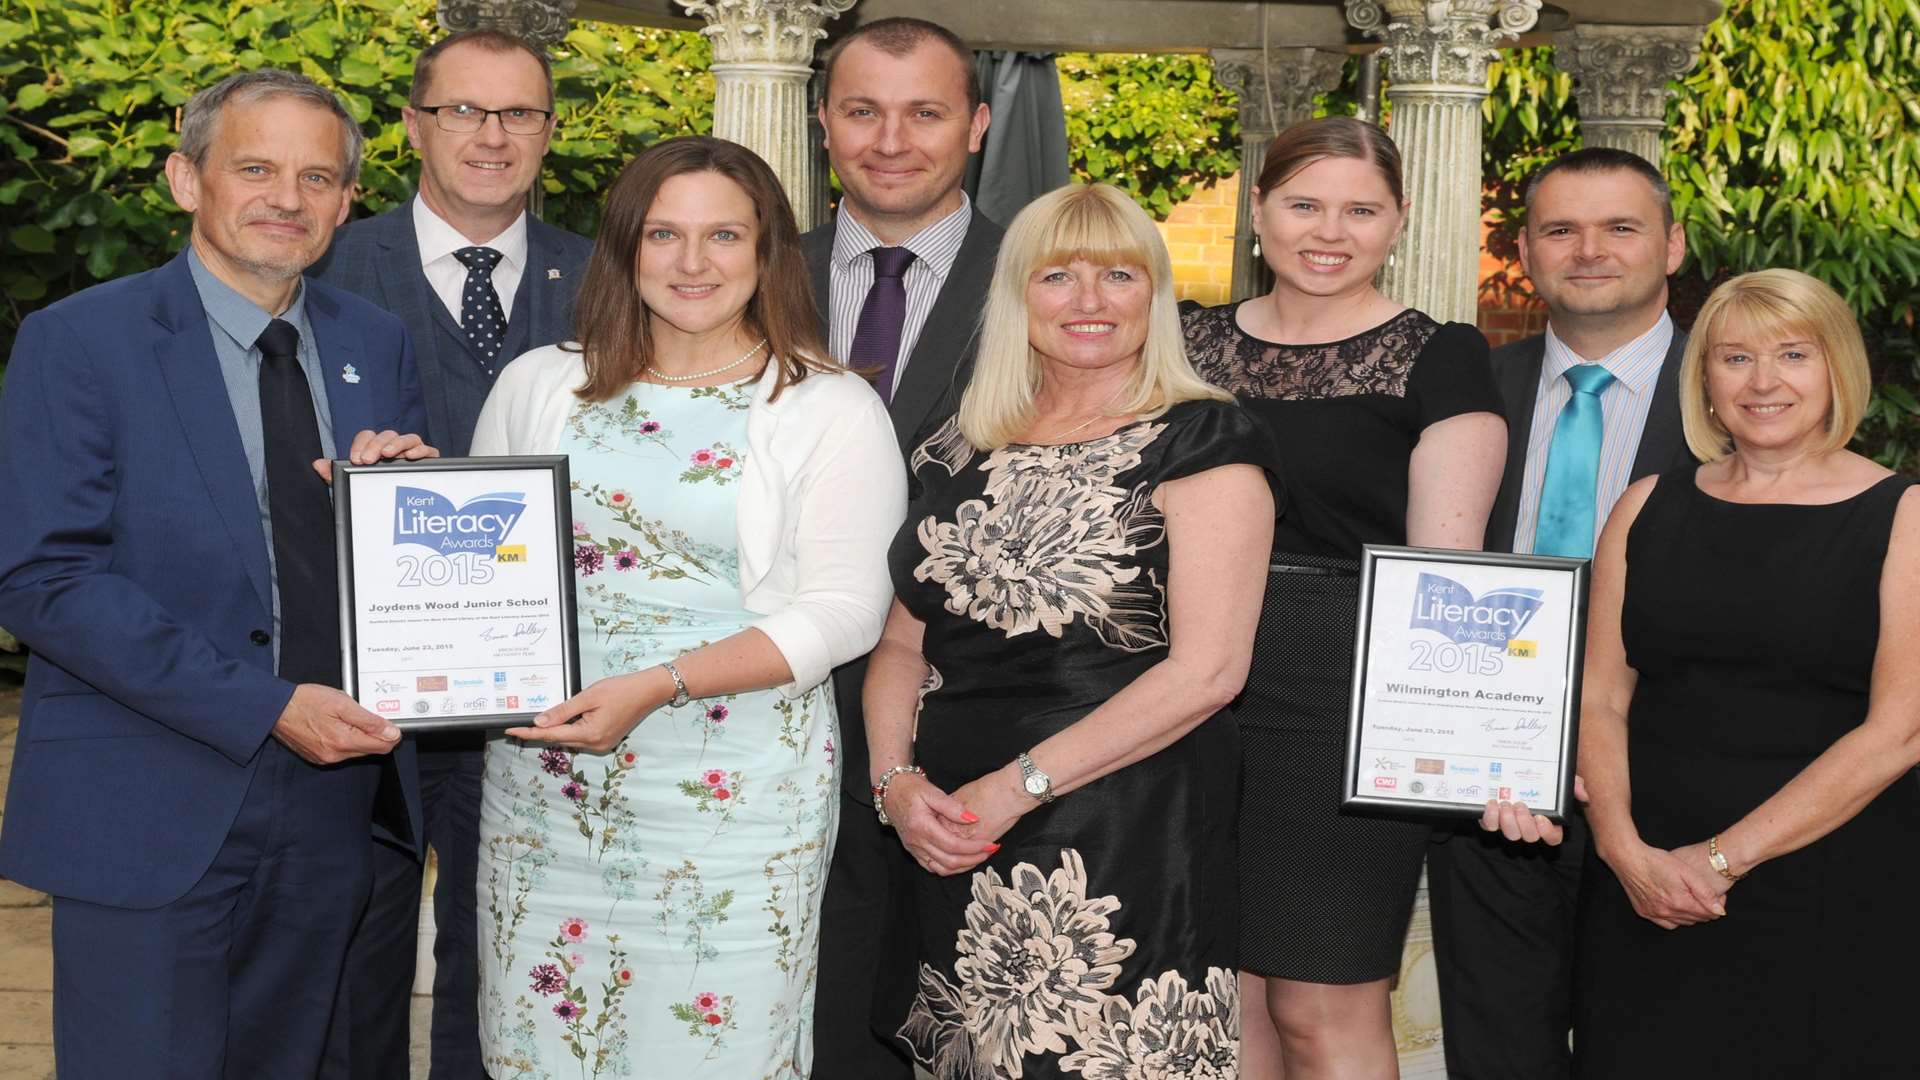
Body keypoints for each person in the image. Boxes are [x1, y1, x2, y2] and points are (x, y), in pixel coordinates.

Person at [0, 70, 435, 1079]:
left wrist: (412, 507)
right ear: (184, 180)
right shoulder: (81, 342)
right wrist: (266, 703)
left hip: (334, 802)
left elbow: (402, 571)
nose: (288, 198)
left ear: (343, 201)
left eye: (318, 176)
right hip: (147, 799)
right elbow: (42, 578)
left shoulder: (375, 343)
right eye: (255, 167)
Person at [467, 136, 904, 1078]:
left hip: (735, 794)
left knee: (717, 1050)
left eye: (723, 236)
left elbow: (846, 612)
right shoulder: (539, 384)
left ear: (767, 253)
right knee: (544, 1048)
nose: (692, 262)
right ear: (624, 248)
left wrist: (658, 684)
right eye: (663, 234)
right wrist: (403, 495)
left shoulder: (828, 406)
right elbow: (485, 572)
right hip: (550, 788)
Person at [876, 182, 1280, 1078]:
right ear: (1017, 295)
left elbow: (1210, 671)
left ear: (1156, 294)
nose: (1089, 300)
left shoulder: (1204, 440)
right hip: (950, 831)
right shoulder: (959, 444)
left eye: (1119, 274)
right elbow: (903, 644)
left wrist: (1016, 788)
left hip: (1127, 833)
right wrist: (897, 788)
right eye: (1057, 275)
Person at [1178, 116, 1506, 1079]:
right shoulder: (1185, 344)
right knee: (1219, 997)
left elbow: (1447, 576)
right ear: (1259, 211)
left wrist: (1478, 741)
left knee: (1323, 1000)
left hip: (1345, 690)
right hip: (1182, 686)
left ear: (1398, 222)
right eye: (1305, 204)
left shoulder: (1440, 355)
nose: (1331, 231)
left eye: (1361, 210)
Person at [311, 28, 593, 1079]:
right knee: (354, 960)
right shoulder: (325, 264)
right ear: (413, 125)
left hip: (536, 707)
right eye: (465, 110)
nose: (491, 135)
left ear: (549, 132)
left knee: (508, 964)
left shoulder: (611, 280)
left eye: (518, 113)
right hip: (359, 701)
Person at [1570, 268, 1920, 1075]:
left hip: (1833, 887)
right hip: (1644, 893)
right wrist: (1625, 850)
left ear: (1836, 369)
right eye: (1734, 359)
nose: (1763, 383)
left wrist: (1718, 860)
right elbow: (1600, 697)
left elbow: (1899, 732)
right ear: (1705, 381)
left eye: (1793, 355)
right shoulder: (1644, 505)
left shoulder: (1903, 516)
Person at [1424, 147, 1690, 1080]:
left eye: (1620, 226)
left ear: (1672, 246)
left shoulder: (1740, 391)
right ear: (1527, 254)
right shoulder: (1463, 390)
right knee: (1497, 1047)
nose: (1589, 250)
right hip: (1487, 791)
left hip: (1671, 785)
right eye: (1560, 229)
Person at [801, 16, 1002, 1077]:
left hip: (971, 712)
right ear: (824, 121)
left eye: (924, 112)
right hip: (769, 701)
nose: (892, 138)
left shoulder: (1050, 282)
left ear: (973, 124)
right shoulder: (749, 274)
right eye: (864, 110)